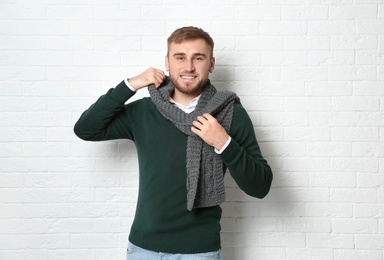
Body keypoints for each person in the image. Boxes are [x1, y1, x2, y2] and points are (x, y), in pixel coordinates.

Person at [74, 26, 272, 260]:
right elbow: (86, 129)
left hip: (199, 251)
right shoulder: (145, 111)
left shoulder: (230, 114)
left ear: (211, 64)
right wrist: (131, 84)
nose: (189, 67)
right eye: (180, 57)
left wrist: (224, 143)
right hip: (142, 249)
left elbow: (260, 186)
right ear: (167, 63)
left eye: (198, 58)